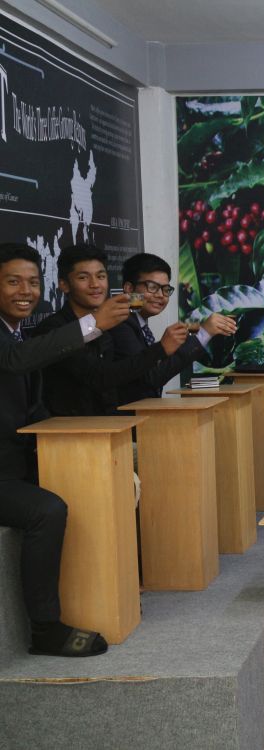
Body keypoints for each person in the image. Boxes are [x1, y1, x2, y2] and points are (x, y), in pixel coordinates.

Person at [0, 242, 131, 656]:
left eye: (32, 282)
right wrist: (93, 323)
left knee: (94, 485)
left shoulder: (17, 333)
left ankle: (111, 595)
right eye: (13, 282)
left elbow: (35, 409)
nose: (26, 291)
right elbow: (15, 360)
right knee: (47, 509)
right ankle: (45, 629)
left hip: (18, 463)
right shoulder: (17, 343)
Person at [32, 244, 188, 416]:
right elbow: (99, 377)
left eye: (101, 276)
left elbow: (116, 383)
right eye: (83, 278)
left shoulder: (106, 327)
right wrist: (161, 349)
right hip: (73, 429)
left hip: (111, 426)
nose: (95, 285)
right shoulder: (54, 329)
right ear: (64, 285)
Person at [110, 253, 237, 403]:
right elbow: (151, 377)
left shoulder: (137, 322)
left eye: (165, 289)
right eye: (152, 287)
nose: (160, 295)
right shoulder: (120, 323)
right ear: (129, 288)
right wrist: (204, 333)